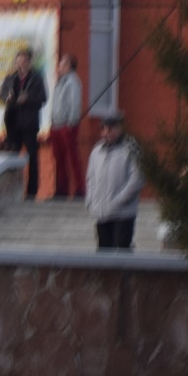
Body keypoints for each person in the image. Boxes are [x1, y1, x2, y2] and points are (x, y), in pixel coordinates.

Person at [85, 107, 144, 251]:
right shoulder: (97, 151)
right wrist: (91, 200)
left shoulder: (132, 148)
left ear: (120, 128)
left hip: (123, 213)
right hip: (102, 212)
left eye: (110, 129)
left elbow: (137, 179)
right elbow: (90, 178)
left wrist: (118, 201)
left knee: (122, 250)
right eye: (104, 129)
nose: (106, 132)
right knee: (103, 251)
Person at [0, 45, 47, 199]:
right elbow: (1, 95)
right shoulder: (11, 78)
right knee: (12, 157)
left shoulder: (36, 78)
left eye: (24, 62)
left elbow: (43, 98)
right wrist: (8, 97)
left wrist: (28, 99)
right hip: (12, 123)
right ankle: (11, 191)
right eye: (18, 61)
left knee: (32, 156)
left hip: (29, 123)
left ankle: (31, 192)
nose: (21, 65)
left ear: (30, 62)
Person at [46, 52, 86, 202]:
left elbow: (74, 103)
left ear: (69, 66)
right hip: (56, 124)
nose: (59, 66)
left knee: (72, 157)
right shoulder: (59, 81)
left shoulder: (73, 81)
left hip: (67, 125)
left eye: (62, 64)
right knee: (59, 158)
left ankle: (80, 189)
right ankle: (62, 189)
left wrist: (70, 122)